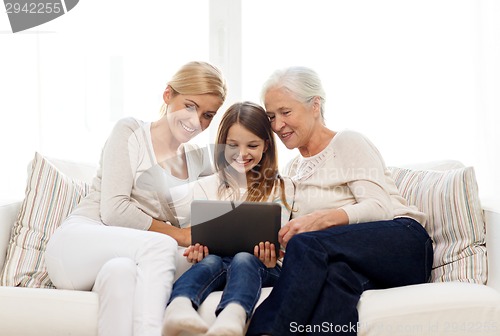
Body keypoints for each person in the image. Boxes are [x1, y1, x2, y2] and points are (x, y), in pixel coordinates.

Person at [246, 66, 433, 335]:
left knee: (308, 243)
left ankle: (266, 331)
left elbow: (379, 207)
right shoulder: (292, 170)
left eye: (286, 112)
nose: (277, 125)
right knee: (334, 280)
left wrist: (319, 220)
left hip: (404, 244)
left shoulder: (346, 142)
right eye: (271, 116)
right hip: (354, 261)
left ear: (315, 105)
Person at [44, 61, 227, 336]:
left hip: (118, 259)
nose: (196, 121)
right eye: (190, 106)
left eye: (207, 115)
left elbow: (243, 159)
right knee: (162, 245)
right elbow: (115, 211)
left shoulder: (194, 163)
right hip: (77, 244)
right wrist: (180, 235)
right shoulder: (130, 131)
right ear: (168, 95)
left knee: (121, 275)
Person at [163, 102, 294, 336]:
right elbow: (192, 235)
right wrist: (195, 249)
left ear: (266, 146)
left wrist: (272, 254)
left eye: (252, 145)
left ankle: (232, 318)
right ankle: (179, 307)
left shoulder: (282, 187)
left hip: (263, 267)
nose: (242, 154)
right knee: (211, 261)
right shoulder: (205, 186)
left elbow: (281, 237)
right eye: (233, 145)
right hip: (216, 263)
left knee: (244, 259)